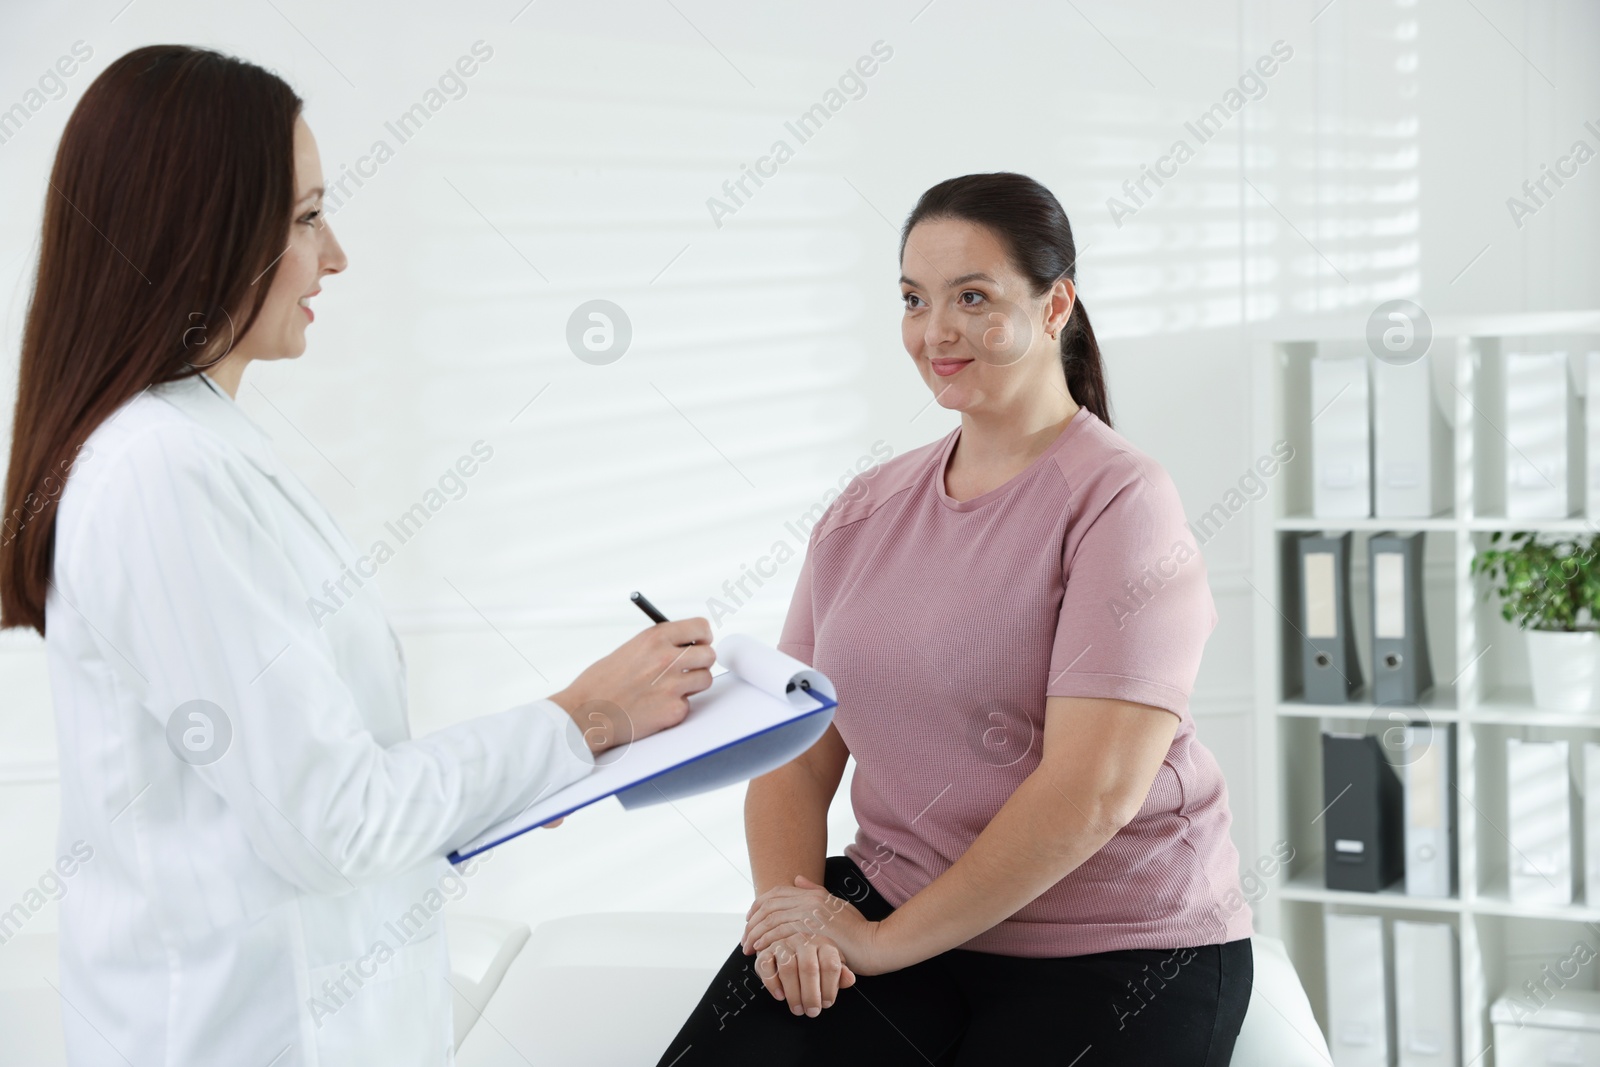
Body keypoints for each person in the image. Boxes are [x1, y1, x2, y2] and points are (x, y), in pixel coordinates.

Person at [0, 45, 714, 1066]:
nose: (335, 255)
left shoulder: (198, 447)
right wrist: (579, 720)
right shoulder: (161, 471)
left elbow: (316, 793)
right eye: (302, 218)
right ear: (201, 231)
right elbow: (334, 820)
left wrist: (532, 775)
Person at [658, 172, 1253, 1066]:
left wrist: (879, 943)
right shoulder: (866, 508)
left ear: (1055, 306)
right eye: (913, 299)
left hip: (1115, 945)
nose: (935, 332)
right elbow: (798, 745)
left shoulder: (1122, 501)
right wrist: (795, 917)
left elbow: (1091, 793)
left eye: (973, 298)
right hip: (895, 899)